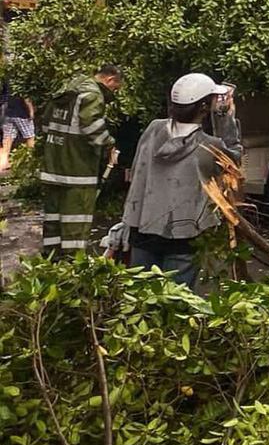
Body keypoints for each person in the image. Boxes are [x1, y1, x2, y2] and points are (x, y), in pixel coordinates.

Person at [123, 73, 241, 288]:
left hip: (142, 228)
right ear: (205, 107)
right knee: (177, 303)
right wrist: (226, 119)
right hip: (184, 234)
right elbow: (233, 162)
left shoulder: (153, 130)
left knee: (140, 299)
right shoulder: (209, 146)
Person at [39, 64, 122, 254]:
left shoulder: (67, 90)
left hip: (53, 167)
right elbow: (92, 129)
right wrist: (110, 145)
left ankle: (51, 260)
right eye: (115, 88)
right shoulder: (92, 95)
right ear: (109, 79)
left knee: (53, 218)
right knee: (75, 220)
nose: (114, 93)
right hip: (77, 171)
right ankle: (73, 267)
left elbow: (45, 124)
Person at [0, 80, 34, 174]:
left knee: (7, 139)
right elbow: (26, 98)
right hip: (22, 113)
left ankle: (2, 163)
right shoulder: (22, 80)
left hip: (8, 113)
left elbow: (4, 95)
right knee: (29, 136)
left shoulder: (7, 78)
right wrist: (31, 111)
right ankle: (30, 161)